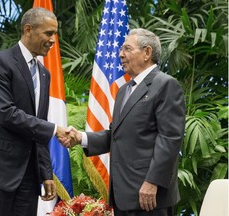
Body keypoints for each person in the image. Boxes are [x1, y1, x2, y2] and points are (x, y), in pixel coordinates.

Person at [61, 28, 186, 216]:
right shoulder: (124, 91)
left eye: (127, 48)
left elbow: (169, 138)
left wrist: (153, 182)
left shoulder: (165, 84)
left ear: (147, 53)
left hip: (149, 197)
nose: (120, 54)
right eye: (121, 49)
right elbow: (116, 135)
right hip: (123, 195)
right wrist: (81, 138)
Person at [0, 7, 71, 216]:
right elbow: (6, 113)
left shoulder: (44, 74)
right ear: (28, 29)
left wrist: (46, 172)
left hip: (29, 177)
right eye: (48, 34)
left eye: (54, 34)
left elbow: (38, 124)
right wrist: (54, 129)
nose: (52, 40)